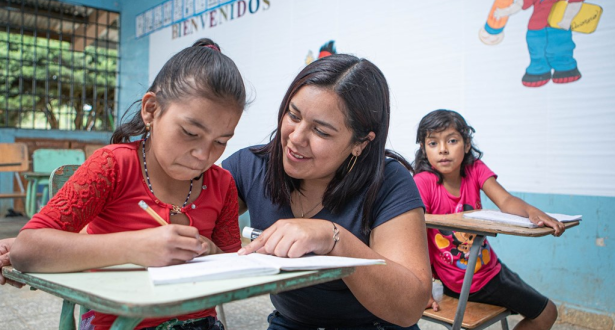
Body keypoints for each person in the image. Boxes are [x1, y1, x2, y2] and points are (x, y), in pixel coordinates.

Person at [8, 38, 246, 330]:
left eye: (221, 142)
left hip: (200, 323)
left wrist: (211, 253)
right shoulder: (113, 166)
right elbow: (26, 250)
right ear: (151, 110)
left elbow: (237, 267)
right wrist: (135, 247)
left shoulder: (222, 184)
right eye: (190, 132)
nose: (203, 155)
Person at [222, 54, 432, 329]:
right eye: (293, 115)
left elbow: (409, 308)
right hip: (293, 323)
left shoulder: (388, 181)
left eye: (321, 131)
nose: (296, 138)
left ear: (360, 143)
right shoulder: (250, 167)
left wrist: (334, 239)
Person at [412, 109, 565, 330]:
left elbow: (505, 201)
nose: (443, 150)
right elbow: (415, 229)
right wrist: (424, 289)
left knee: (546, 312)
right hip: (468, 282)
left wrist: (532, 211)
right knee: (548, 312)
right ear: (424, 150)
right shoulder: (423, 182)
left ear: (466, 145)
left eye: (452, 141)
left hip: (490, 268)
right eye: (433, 143)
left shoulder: (474, 170)